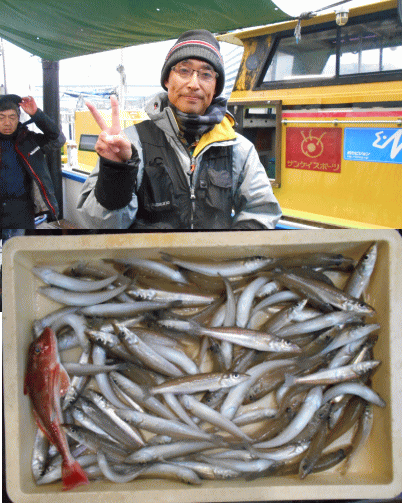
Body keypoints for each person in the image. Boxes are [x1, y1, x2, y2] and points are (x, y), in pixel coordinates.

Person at [77, 29, 282, 230]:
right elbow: (101, 224)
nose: (194, 84)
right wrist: (115, 173)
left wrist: (227, 255)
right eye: (184, 71)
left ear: (215, 85)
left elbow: (261, 213)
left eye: (206, 74)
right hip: (152, 264)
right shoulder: (131, 142)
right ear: (167, 79)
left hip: (213, 264)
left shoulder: (240, 149)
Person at [0, 94, 64, 229]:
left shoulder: (29, 140)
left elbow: (58, 139)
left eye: (12, 117)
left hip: (24, 212)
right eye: (1, 118)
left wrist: (37, 115)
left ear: (18, 118)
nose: (7, 123)